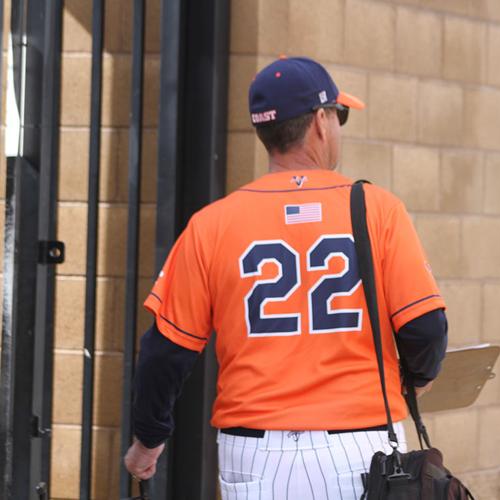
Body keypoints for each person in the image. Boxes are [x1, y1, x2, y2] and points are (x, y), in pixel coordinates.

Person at [124, 56, 448, 499]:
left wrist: (148, 438)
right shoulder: (377, 209)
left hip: (252, 452)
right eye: (339, 115)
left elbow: (165, 352)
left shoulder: (213, 223)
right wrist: (419, 377)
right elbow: (424, 328)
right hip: (359, 447)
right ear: (319, 121)